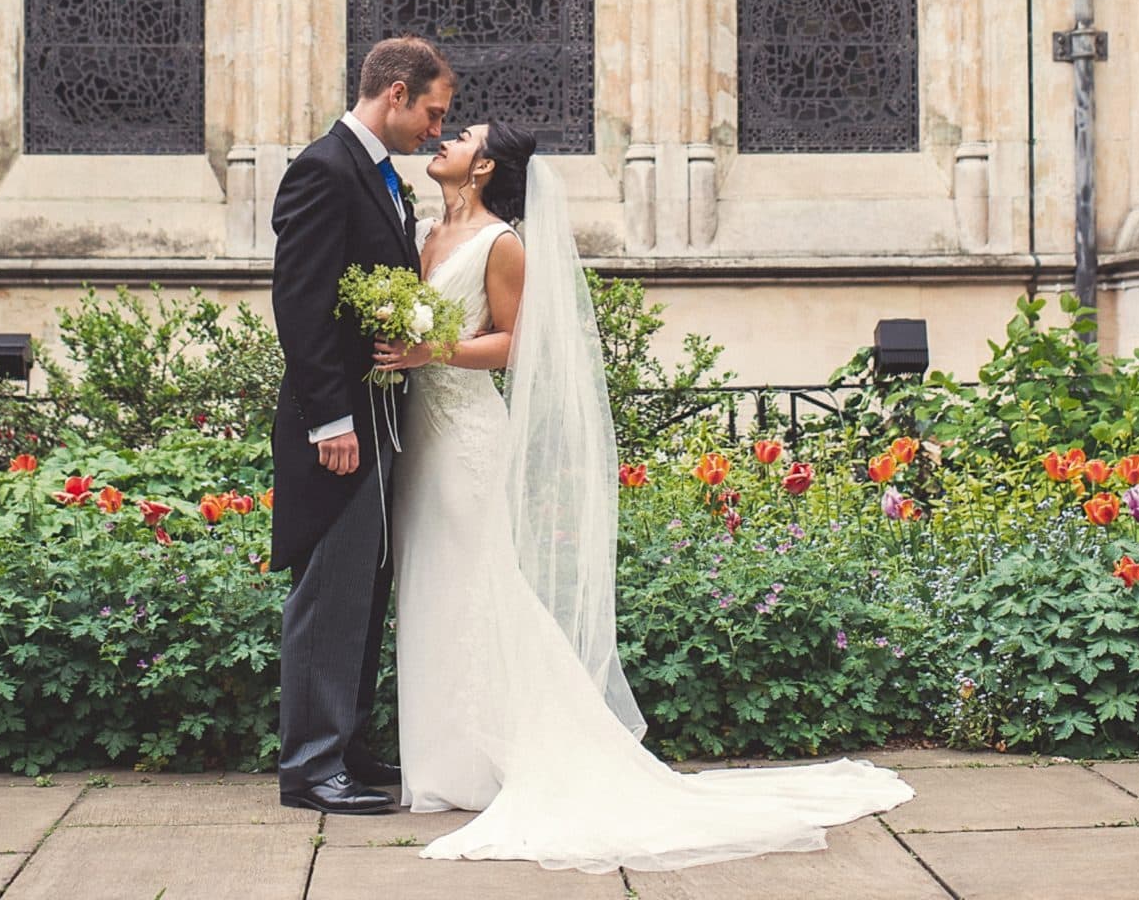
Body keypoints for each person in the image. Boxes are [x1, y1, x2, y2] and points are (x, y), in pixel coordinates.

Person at [374, 119, 915, 874]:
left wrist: (432, 349)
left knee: (478, 584)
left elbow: (514, 341)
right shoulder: (426, 227)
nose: (443, 141)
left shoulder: (501, 244)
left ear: (485, 164)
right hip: (420, 438)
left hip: (465, 435)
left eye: (458, 136)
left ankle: (502, 755)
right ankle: (446, 761)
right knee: (433, 586)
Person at [270, 35, 454, 815]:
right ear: (396, 93)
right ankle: (310, 769)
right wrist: (329, 421)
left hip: (378, 416)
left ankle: (343, 744)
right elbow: (301, 304)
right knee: (330, 591)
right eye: (432, 113)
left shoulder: (381, 177)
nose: (436, 131)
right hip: (338, 424)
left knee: (364, 590)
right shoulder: (322, 168)